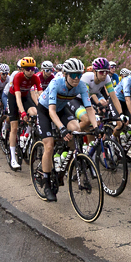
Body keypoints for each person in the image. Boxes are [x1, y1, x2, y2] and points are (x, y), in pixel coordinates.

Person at [37, 58, 96, 201]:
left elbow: (89, 108)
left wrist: (96, 127)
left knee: (76, 129)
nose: (76, 78)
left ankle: (63, 156)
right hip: (45, 110)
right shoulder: (56, 83)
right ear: (65, 74)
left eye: (79, 75)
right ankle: (46, 183)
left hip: (62, 109)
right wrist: (62, 129)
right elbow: (51, 111)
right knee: (49, 145)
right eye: (73, 75)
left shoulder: (81, 86)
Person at [7, 57, 42, 172]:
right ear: (22, 69)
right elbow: (17, 97)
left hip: (25, 96)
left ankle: (26, 135)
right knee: (14, 127)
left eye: (32, 68)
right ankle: (13, 158)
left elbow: (40, 94)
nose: (30, 71)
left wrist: (45, 109)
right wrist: (22, 112)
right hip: (14, 97)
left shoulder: (35, 77)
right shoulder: (18, 77)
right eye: (27, 69)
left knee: (35, 113)